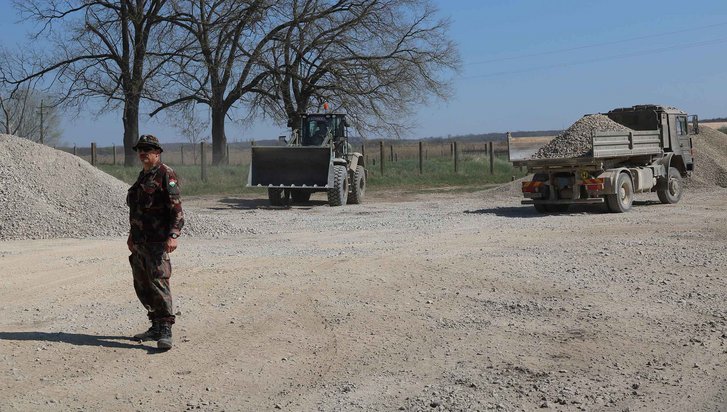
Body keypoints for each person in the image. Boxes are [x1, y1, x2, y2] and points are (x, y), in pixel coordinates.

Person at [126, 134, 185, 350]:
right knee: (142, 285)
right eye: (140, 150)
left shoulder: (165, 174)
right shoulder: (143, 176)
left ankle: (166, 329)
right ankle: (155, 326)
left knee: (159, 283)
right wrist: (132, 235)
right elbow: (138, 210)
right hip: (141, 242)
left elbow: (177, 211)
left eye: (147, 150)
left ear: (157, 153)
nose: (143, 153)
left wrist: (173, 236)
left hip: (158, 242)